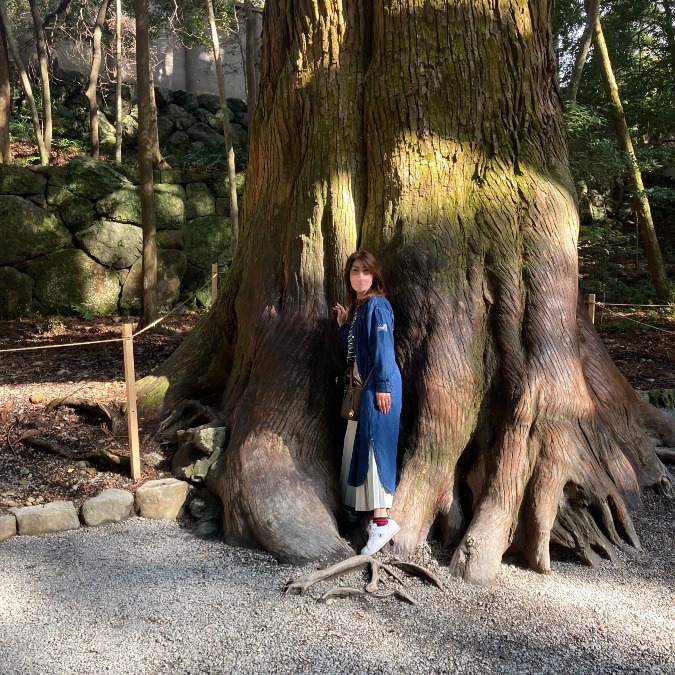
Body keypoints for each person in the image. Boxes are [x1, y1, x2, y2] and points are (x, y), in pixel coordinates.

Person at [333, 251, 402, 555]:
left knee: (375, 448)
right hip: (363, 389)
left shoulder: (377, 305)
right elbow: (358, 347)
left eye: (365, 271)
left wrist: (385, 386)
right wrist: (344, 326)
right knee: (355, 444)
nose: (359, 276)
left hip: (379, 388)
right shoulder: (360, 307)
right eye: (354, 271)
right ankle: (353, 509)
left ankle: (383, 522)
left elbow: (384, 348)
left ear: (374, 275)